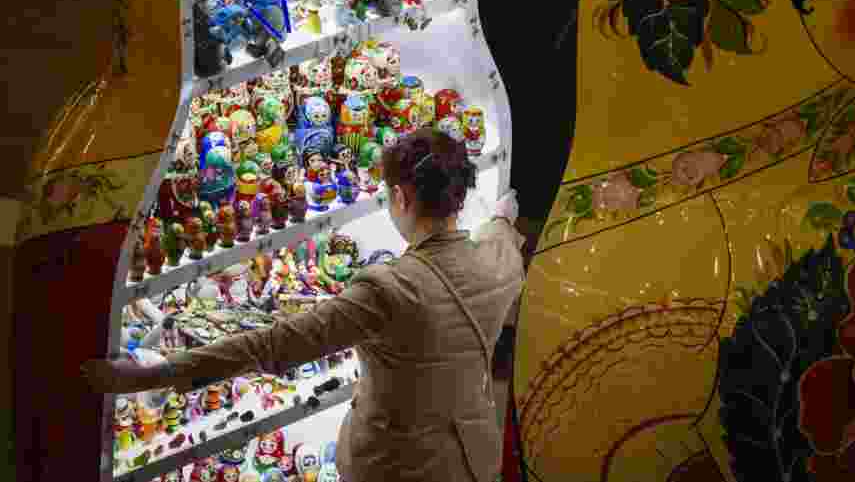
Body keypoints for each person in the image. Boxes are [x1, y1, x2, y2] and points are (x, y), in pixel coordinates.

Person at [82, 128, 525, 482]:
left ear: (402, 197)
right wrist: (503, 216)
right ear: (458, 197)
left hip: (396, 464)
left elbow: (275, 344)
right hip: (471, 458)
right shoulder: (498, 264)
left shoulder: (389, 289)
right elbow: (500, 231)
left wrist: (157, 373)